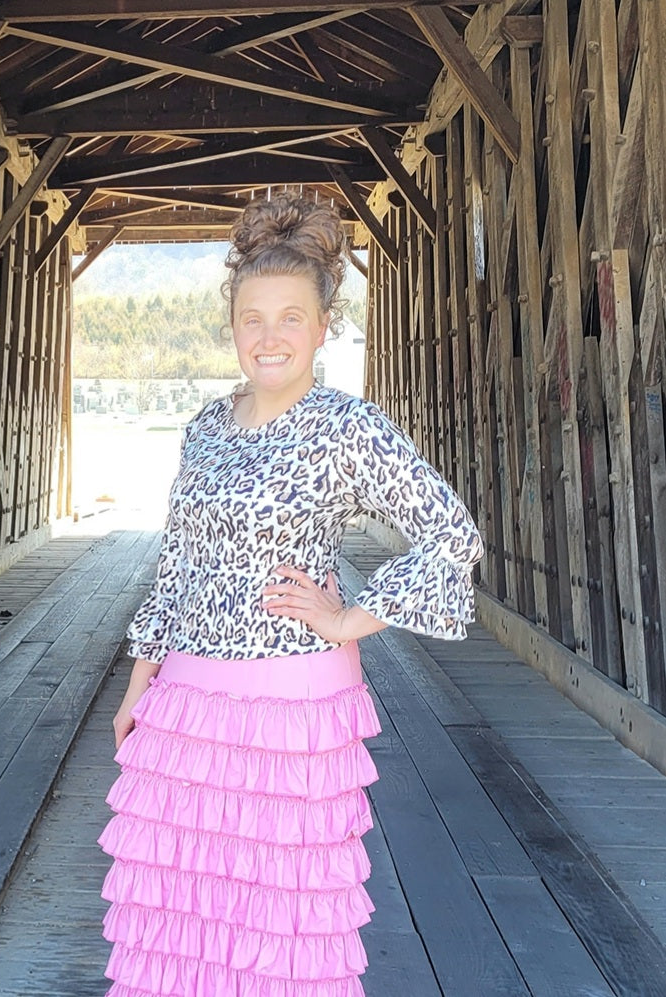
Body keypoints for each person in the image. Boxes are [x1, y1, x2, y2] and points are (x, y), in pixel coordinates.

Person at [98, 193, 483, 996]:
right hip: (185, 708)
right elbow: (177, 563)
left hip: (293, 719)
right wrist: (137, 686)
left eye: (290, 317)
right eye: (251, 318)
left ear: (322, 323)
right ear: (231, 325)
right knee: (175, 919)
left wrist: (349, 615)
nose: (268, 335)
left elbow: (452, 532)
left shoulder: (348, 426)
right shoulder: (204, 425)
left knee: (283, 930)